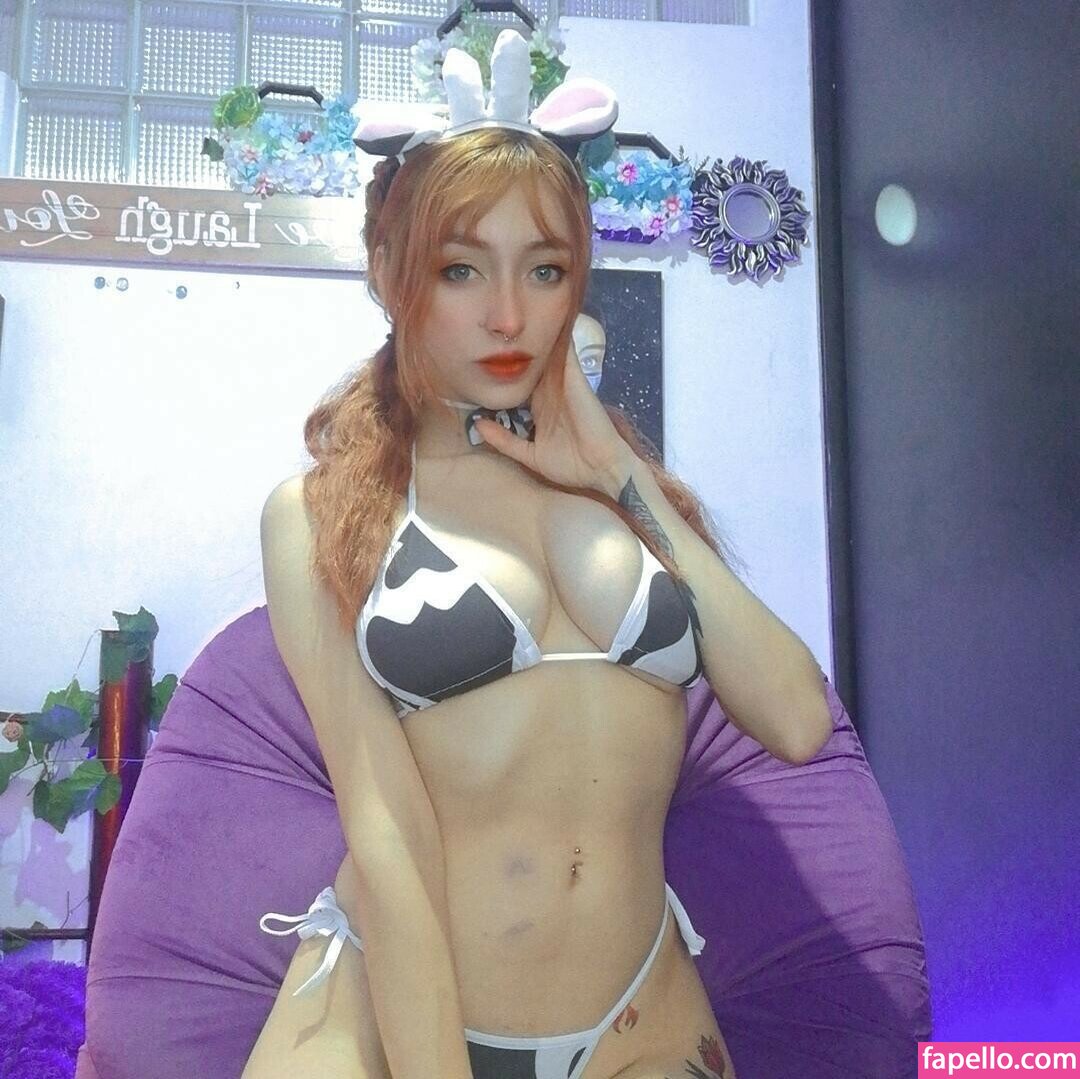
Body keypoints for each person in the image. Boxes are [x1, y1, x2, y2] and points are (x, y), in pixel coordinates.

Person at [245, 30, 831, 1079]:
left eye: (546, 269)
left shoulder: (622, 494)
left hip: (637, 1011)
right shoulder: (321, 514)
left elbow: (796, 717)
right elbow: (387, 836)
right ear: (387, 271)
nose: (510, 315)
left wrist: (616, 467)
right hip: (381, 1004)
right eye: (460, 268)